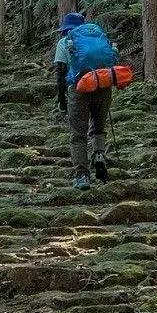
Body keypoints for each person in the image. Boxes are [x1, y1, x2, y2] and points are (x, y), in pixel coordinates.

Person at [54, 11, 114, 190]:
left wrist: (62, 101)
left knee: (78, 135)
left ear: (66, 29)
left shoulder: (64, 42)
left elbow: (60, 73)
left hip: (79, 89)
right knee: (98, 128)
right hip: (103, 86)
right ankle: (99, 156)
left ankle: (82, 176)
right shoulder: (98, 37)